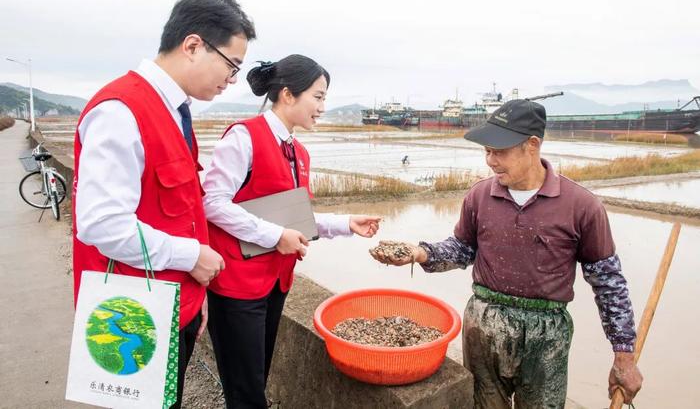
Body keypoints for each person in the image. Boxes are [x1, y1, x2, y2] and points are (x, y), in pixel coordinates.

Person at [370, 99, 643, 409]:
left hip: (545, 337)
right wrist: (420, 253)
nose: (490, 160)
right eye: (487, 151)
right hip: (484, 328)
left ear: (532, 145)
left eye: (499, 151)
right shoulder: (479, 196)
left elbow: (609, 283)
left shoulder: (581, 206)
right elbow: (462, 249)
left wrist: (624, 353)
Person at [72, 0, 256, 408]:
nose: (231, 81)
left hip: (176, 301)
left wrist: (195, 297)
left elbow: (182, 210)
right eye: (231, 66)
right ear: (193, 45)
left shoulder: (174, 111)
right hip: (133, 312)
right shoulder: (121, 111)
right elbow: (101, 225)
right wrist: (192, 258)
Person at [202, 55, 381, 408]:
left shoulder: (297, 151)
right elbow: (213, 203)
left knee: (257, 376)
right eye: (317, 96)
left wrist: (346, 223)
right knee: (246, 389)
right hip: (237, 286)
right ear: (287, 94)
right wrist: (274, 236)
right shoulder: (244, 136)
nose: (323, 107)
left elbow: (295, 219)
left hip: (274, 282)